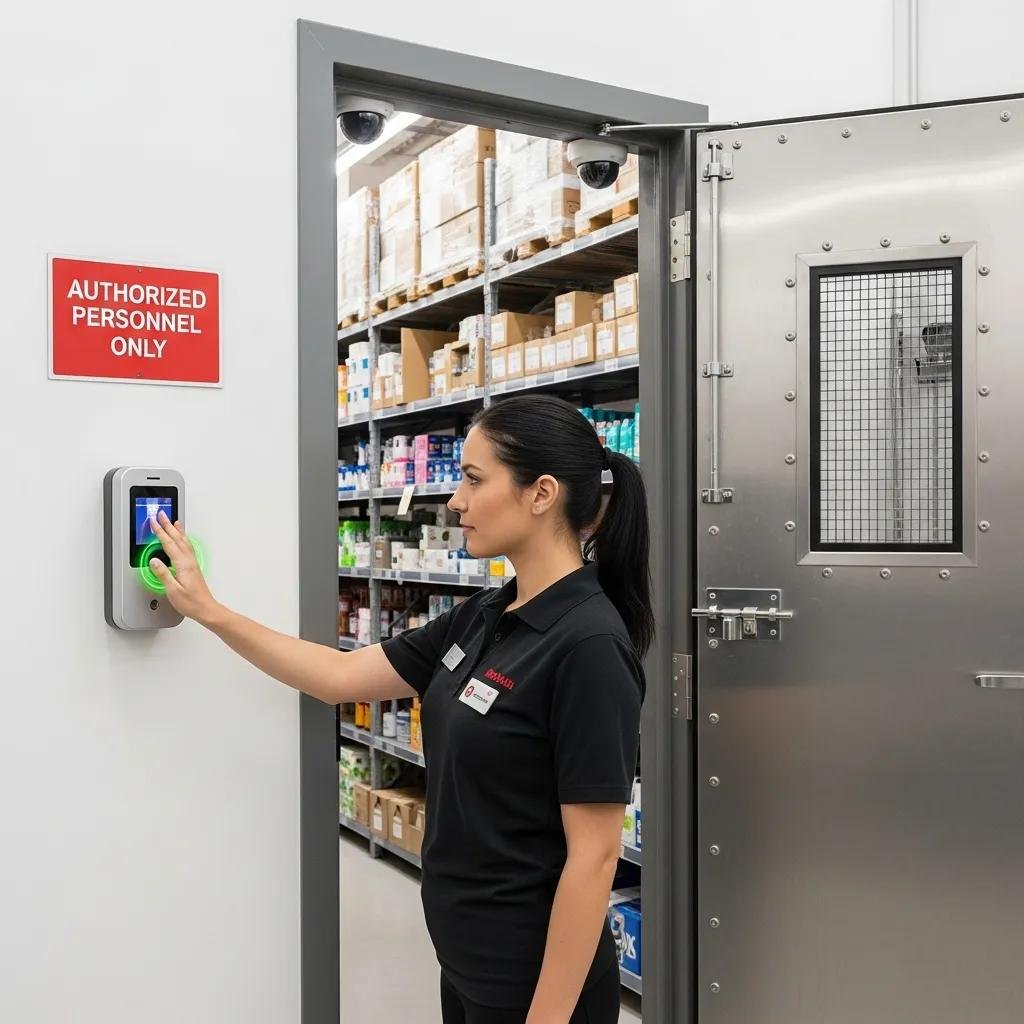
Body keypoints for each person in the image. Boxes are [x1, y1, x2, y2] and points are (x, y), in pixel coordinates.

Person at [148, 393, 653, 1024]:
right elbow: (338, 677)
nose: (455, 502)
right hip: (467, 961)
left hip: (535, 985)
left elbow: (597, 855)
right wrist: (208, 611)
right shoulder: (486, 614)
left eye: (473, 479)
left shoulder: (588, 644)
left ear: (541, 493)